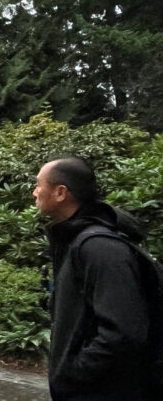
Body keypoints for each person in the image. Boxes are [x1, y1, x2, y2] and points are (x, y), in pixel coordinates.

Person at [35, 157, 154, 400]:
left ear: (60, 193)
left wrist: (74, 375)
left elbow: (124, 332)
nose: (34, 192)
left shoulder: (100, 248)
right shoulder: (75, 240)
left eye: (39, 184)